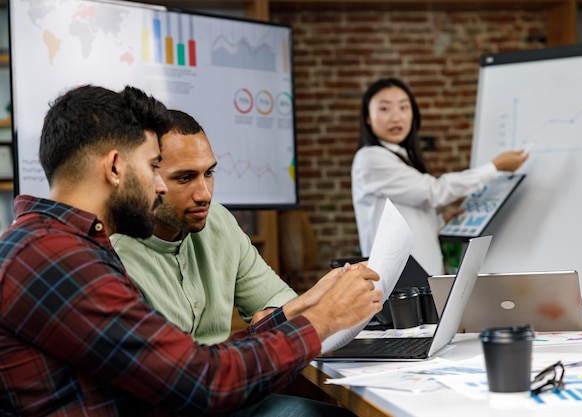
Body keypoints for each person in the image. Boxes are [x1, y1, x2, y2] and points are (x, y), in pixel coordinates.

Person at [0, 84, 383, 416]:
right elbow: (200, 381)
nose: (160, 187)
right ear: (116, 168)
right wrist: (322, 320)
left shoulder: (61, 246)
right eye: (153, 167)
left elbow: (181, 365)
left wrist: (292, 312)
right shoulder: (58, 259)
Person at [111, 109, 297, 346]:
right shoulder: (113, 255)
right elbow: (163, 367)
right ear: (144, 177)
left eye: (208, 173)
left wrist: (272, 313)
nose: (205, 194)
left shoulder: (218, 220)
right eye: (185, 178)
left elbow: (280, 299)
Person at [352, 77, 528, 275]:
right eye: (384, 109)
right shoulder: (371, 158)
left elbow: (406, 221)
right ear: (367, 117)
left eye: (403, 107)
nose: (396, 117)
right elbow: (434, 192)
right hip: (398, 283)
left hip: (417, 278)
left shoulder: (399, 156)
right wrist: (494, 167)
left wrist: (440, 220)